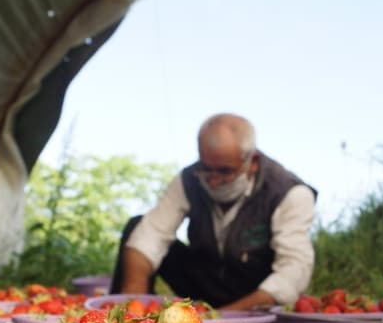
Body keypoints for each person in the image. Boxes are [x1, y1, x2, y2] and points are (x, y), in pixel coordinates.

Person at [111, 113, 316, 310]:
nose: (214, 180)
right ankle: (121, 316)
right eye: (206, 168)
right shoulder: (189, 179)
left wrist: (221, 317)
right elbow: (151, 234)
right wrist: (133, 303)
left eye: (225, 171)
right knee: (137, 225)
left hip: (252, 294)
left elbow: (293, 270)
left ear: (252, 162)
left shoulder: (289, 193)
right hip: (205, 284)